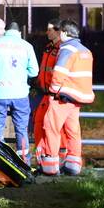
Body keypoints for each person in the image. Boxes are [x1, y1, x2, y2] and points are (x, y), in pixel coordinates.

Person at [35, 20, 94, 176]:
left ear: (66, 33)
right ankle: (73, 164)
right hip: (77, 98)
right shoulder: (85, 50)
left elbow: (59, 73)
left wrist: (53, 92)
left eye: (60, 31)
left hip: (63, 97)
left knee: (51, 127)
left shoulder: (67, 48)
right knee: (72, 130)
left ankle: (50, 166)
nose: (59, 34)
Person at [0, 18, 39, 161]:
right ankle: (24, 162)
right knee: (21, 129)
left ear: (6, 32)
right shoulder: (26, 46)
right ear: (18, 32)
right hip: (20, 94)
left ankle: (0, 162)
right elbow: (34, 71)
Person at [33, 21, 66, 172]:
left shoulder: (62, 49)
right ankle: (43, 160)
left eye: (49, 30)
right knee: (39, 123)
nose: (47, 33)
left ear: (58, 31)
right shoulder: (49, 48)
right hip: (45, 93)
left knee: (56, 128)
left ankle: (59, 160)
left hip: (56, 96)